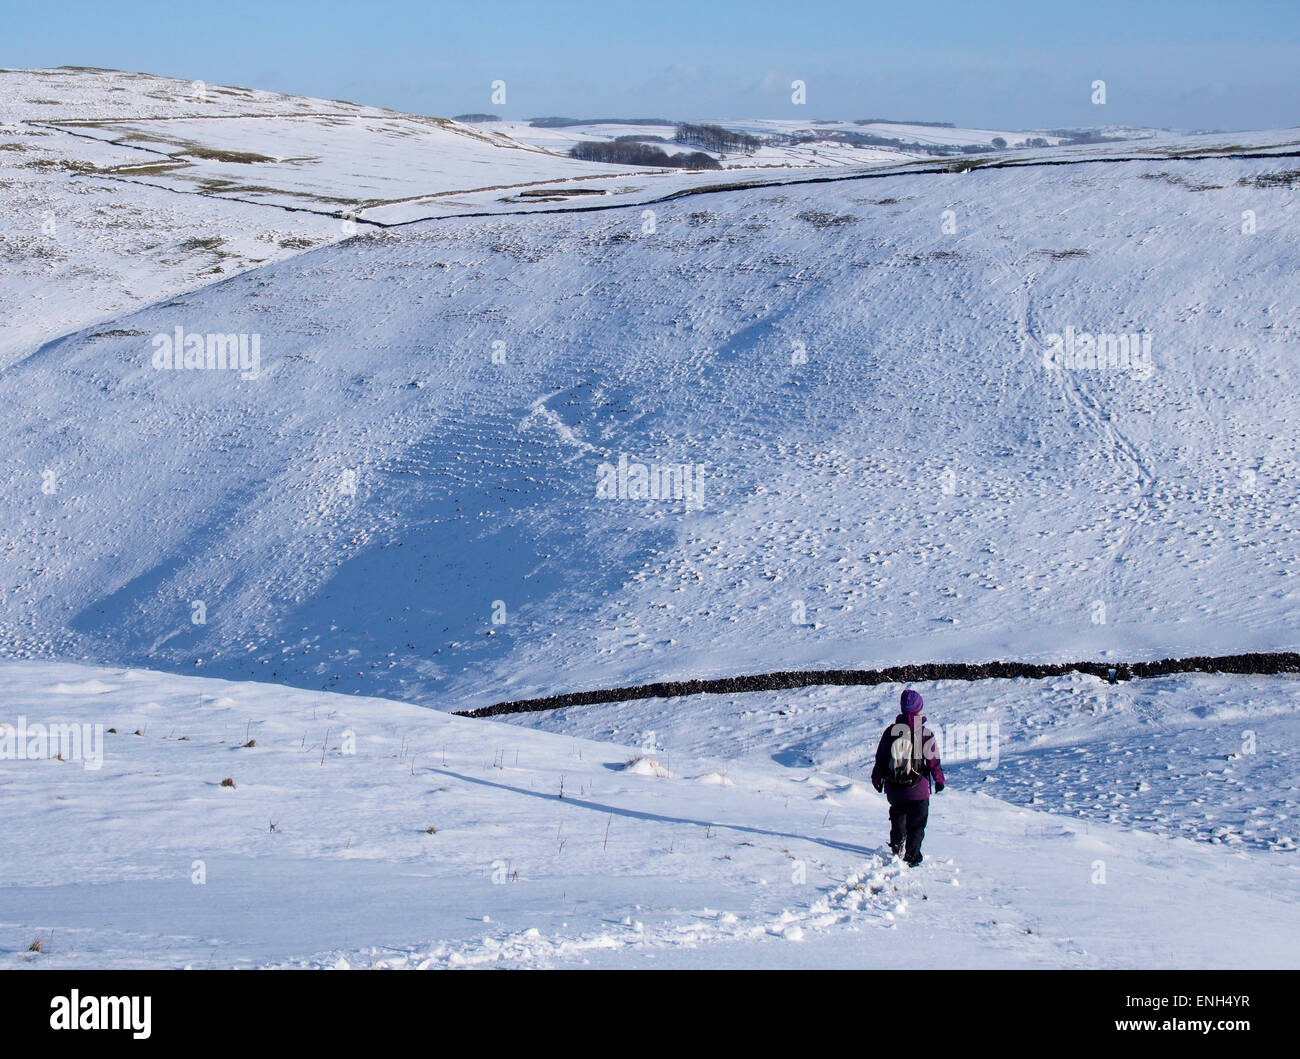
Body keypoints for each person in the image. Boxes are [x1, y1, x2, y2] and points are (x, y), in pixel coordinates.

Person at [871, 688, 945, 866]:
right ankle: (912, 857)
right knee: (917, 823)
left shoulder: (890, 732)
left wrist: (877, 778)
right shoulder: (925, 734)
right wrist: (939, 780)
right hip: (918, 789)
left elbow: (880, 758)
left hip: (894, 787)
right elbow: (933, 762)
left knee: (898, 814)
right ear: (919, 709)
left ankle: (897, 845)